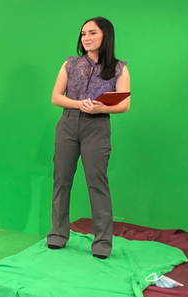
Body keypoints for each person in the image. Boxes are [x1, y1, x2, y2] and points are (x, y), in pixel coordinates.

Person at [47, 17, 130, 260]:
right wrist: (79, 104)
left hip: (98, 126)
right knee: (61, 180)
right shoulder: (70, 64)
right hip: (68, 123)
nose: (86, 38)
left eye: (92, 33)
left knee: (97, 182)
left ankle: (102, 243)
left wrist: (100, 109)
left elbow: (124, 103)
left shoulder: (119, 68)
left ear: (106, 36)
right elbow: (55, 96)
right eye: (83, 33)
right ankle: (58, 235)